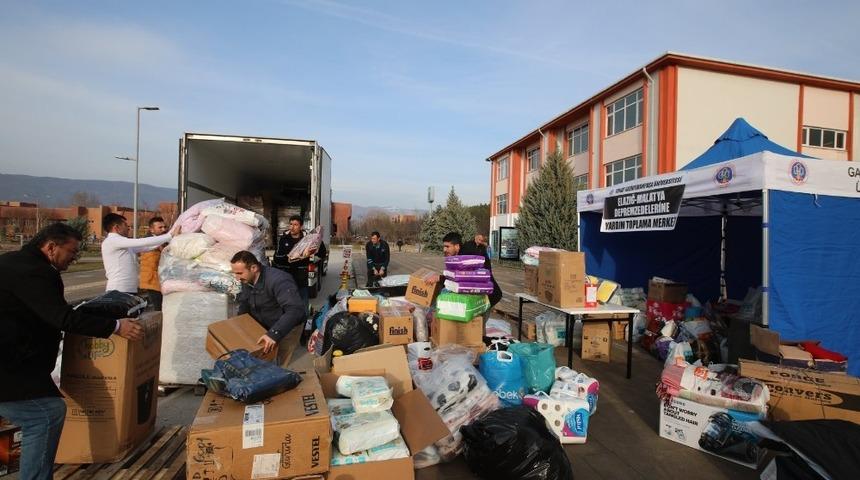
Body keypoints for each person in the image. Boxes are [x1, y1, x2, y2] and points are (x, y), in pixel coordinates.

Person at [0, 223, 144, 480]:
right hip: (9, 364)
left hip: (17, 360)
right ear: (51, 247)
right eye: (73, 252)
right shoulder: (34, 272)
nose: (74, 258)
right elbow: (60, 317)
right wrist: (116, 326)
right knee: (46, 414)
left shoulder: (17, 263)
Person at [231, 250, 306, 367]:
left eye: (239, 273)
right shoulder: (247, 280)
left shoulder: (279, 280)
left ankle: (281, 378)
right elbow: (245, 303)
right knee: (263, 361)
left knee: (281, 363)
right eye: (235, 273)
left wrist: (274, 334)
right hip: (266, 323)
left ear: (254, 268)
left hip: (287, 325)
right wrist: (239, 324)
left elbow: (295, 310)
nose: (236, 278)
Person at [101, 213, 176, 294]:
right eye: (125, 225)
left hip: (128, 290)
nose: (128, 228)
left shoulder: (122, 244)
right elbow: (141, 242)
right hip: (118, 291)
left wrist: (168, 238)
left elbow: (146, 247)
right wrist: (169, 236)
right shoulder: (112, 241)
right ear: (116, 227)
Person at [442, 232, 503, 311]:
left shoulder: (466, 253)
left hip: (487, 296)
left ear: (457, 246)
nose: (444, 249)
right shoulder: (455, 259)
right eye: (444, 246)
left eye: (447, 246)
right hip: (478, 296)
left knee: (474, 320)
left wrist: (476, 241)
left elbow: (461, 277)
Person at [272, 215, 316, 311]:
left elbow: (319, 253)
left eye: (295, 225)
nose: (292, 227)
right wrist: (289, 257)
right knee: (286, 301)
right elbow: (276, 258)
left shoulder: (307, 239)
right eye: (291, 224)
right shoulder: (283, 239)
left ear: (301, 226)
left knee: (303, 301)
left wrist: (309, 253)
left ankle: (303, 321)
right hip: (286, 276)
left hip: (301, 276)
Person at [138, 217, 168, 311]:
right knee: (159, 309)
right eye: (160, 227)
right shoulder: (148, 242)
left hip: (160, 280)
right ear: (151, 229)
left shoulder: (163, 241)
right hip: (152, 280)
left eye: (164, 227)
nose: (164, 229)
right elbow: (154, 262)